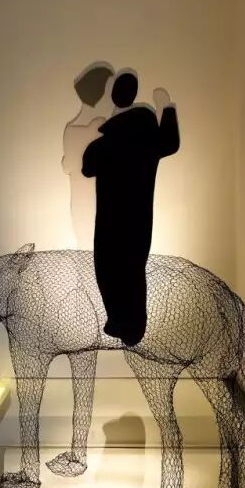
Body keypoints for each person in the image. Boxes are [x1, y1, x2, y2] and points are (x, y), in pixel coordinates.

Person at [82, 69, 179, 346]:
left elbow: (87, 167)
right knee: (133, 269)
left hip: (110, 220)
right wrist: (166, 107)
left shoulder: (105, 143)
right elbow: (171, 143)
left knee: (108, 267)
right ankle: (131, 325)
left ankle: (120, 320)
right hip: (138, 219)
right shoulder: (147, 136)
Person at [62, 61, 115, 249]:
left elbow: (67, 165)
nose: (113, 99)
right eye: (110, 92)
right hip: (90, 207)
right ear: (98, 96)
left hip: (88, 206)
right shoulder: (96, 130)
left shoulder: (71, 130)